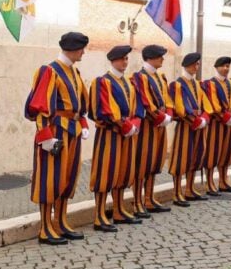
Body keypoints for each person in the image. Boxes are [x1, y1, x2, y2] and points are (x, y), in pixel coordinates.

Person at [24, 31, 90, 245]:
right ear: (72, 48)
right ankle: (45, 228)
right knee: (49, 179)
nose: (83, 52)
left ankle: (60, 222)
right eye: (81, 48)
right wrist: (45, 137)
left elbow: (80, 105)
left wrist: (83, 124)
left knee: (67, 178)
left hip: (73, 131)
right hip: (56, 132)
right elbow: (41, 106)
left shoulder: (74, 72)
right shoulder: (50, 71)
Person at [89, 45, 145, 230]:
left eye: (126, 58)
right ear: (113, 60)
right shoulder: (102, 82)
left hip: (127, 136)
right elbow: (104, 109)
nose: (125, 62)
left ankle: (119, 210)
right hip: (109, 134)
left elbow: (137, 108)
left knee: (123, 172)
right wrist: (125, 125)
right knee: (105, 173)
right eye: (121, 59)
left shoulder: (129, 83)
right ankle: (99, 215)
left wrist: (134, 125)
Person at [130, 45, 174, 217]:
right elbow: (145, 101)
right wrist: (159, 116)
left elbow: (168, 100)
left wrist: (168, 115)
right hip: (148, 125)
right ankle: (137, 201)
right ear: (151, 57)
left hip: (160, 125)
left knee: (155, 161)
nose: (162, 59)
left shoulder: (160, 77)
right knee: (143, 163)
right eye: (160, 56)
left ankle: (149, 197)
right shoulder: (140, 77)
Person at [170, 52, 214, 203]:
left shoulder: (198, 84)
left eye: (198, 64)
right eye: (195, 64)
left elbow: (207, 105)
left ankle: (189, 188)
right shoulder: (177, 84)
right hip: (185, 127)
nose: (197, 67)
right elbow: (180, 107)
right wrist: (194, 117)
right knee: (181, 158)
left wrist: (204, 118)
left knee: (196, 157)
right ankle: (177, 192)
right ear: (187, 65)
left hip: (199, 127)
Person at [202, 56, 231, 193]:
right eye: (223, 66)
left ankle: (223, 181)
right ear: (216, 67)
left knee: (228, 152)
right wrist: (226, 117)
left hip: (230, 125)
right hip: (216, 124)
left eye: (228, 66)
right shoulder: (209, 84)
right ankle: (209, 183)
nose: (226, 69)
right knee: (212, 153)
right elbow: (213, 105)